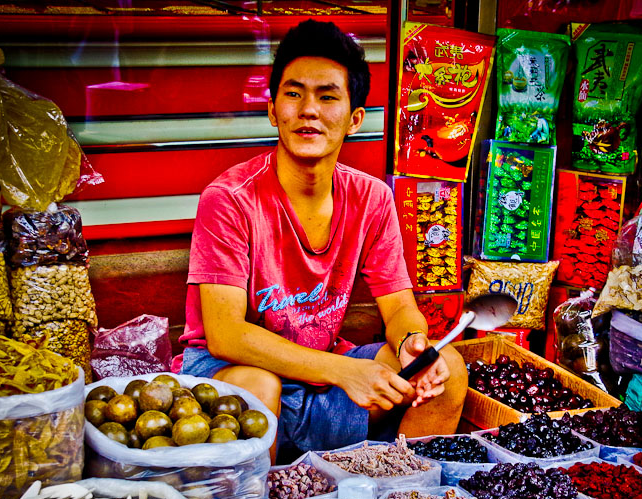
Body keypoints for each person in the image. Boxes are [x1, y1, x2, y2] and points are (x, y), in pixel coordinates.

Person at [177, 19, 467, 461]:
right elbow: (225, 335)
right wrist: (346, 371)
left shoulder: (372, 198)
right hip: (233, 379)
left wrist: (413, 340)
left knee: (447, 369)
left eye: (327, 96)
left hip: (324, 379)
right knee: (260, 386)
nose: (308, 110)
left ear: (354, 119)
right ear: (274, 111)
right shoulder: (230, 199)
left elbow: (399, 306)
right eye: (294, 94)